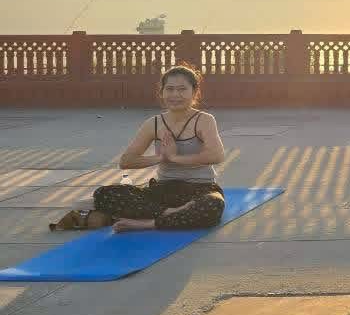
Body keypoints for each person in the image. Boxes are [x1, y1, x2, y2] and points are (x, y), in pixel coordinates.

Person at [60, 65, 228, 232]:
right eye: (170, 89)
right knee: (104, 193)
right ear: (161, 92)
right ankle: (170, 213)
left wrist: (175, 158)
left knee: (213, 205)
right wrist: (159, 158)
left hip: (200, 189)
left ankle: (148, 223)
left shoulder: (204, 120)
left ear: (194, 92)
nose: (175, 95)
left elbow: (217, 155)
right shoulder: (153, 123)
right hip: (163, 190)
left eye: (182, 89)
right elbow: (126, 161)